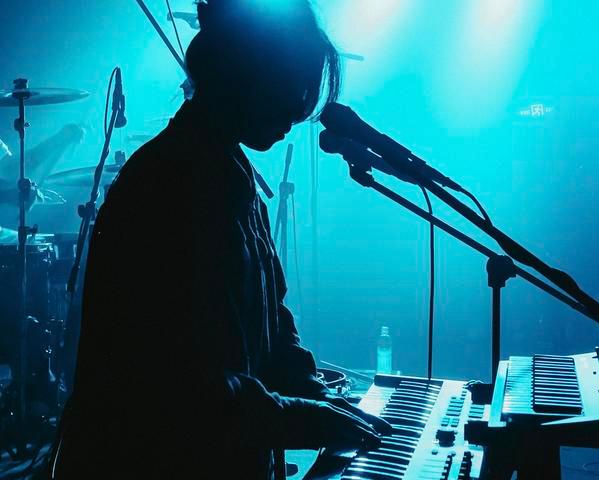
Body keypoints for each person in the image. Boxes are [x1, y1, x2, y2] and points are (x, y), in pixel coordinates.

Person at [49, 1, 390, 478]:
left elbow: (272, 318)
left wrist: (314, 392)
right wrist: (304, 418)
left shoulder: (232, 173)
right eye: (292, 87)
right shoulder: (167, 184)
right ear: (245, 74)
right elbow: (184, 386)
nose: (298, 111)